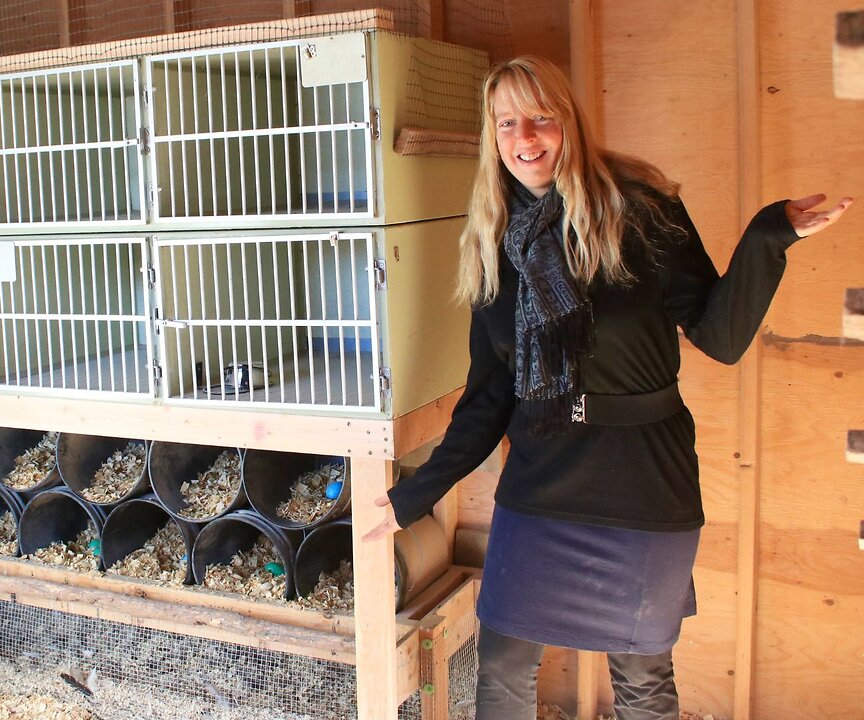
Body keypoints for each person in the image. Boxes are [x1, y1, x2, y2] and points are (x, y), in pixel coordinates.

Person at [363, 56, 852, 719]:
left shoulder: (641, 213)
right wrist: (413, 495)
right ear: (493, 135)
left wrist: (771, 236)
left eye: (541, 118)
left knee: (643, 682)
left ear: (571, 123)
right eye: (508, 123)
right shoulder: (494, 242)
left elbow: (719, 335)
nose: (525, 139)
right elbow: (488, 401)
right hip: (542, 478)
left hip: (644, 483)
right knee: (501, 673)